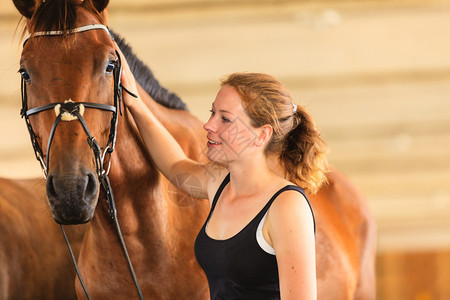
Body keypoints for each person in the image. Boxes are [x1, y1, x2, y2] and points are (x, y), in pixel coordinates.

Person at [119, 47, 328, 300]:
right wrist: (135, 103)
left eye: (225, 119)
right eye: (212, 113)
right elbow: (175, 166)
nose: (208, 125)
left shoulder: (286, 206)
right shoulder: (218, 182)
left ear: (262, 134)